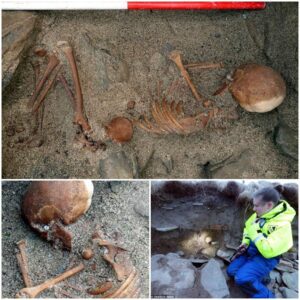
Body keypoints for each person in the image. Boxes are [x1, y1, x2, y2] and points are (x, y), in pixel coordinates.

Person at [227, 187, 296, 298]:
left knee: (241, 278)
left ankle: (266, 295)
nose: (254, 209)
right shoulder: (261, 214)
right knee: (231, 271)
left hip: (266, 258)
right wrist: (246, 241)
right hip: (251, 252)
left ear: (269, 205)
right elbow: (248, 227)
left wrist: (255, 232)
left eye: (256, 206)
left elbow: (268, 252)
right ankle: (263, 278)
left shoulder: (283, 226)